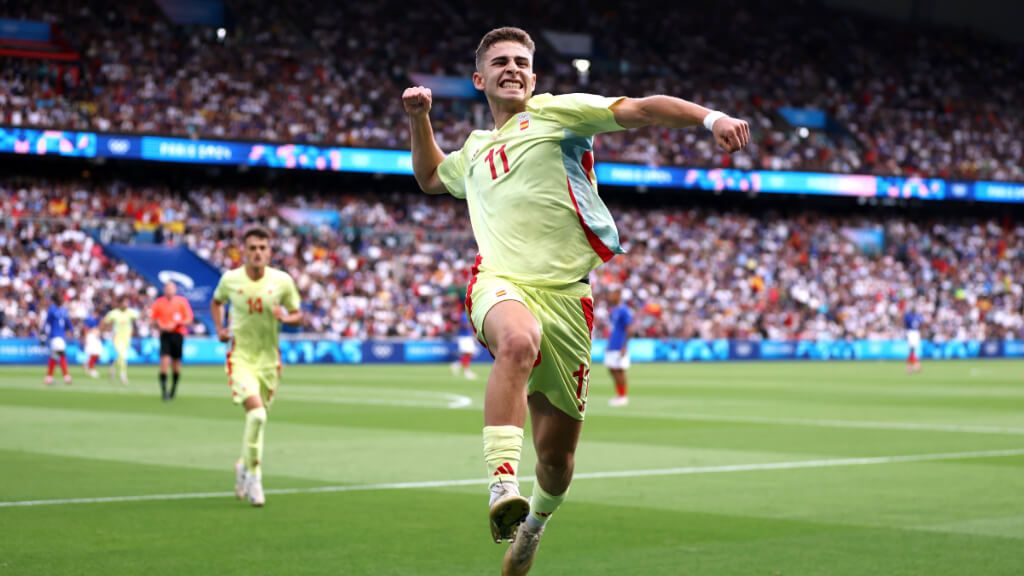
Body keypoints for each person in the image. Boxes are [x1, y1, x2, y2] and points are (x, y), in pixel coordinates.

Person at [403, 26, 749, 575]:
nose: (512, 68)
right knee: (516, 342)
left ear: (534, 77)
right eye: (500, 62)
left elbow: (642, 109)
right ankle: (500, 487)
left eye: (521, 61)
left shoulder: (558, 114)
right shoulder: (472, 150)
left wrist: (711, 118)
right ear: (479, 79)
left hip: (569, 301)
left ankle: (533, 527)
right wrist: (419, 118)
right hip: (501, 282)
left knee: (558, 462)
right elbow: (427, 175)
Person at [211, 226, 302, 508]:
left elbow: (298, 313)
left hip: (269, 362)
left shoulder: (282, 281)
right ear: (244, 251)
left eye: (262, 247)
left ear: (269, 251)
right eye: (252, 248)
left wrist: (285, 318)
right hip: (240, 358)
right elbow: (216, 302)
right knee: (258, 416)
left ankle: (242, 466)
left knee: (257, 421)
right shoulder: (230, 279)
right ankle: (255, 477)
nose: (258, 253)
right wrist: (220, 329)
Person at [150, 281, 194, 400]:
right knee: (164, 362)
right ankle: (164, 392)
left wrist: (176, 324)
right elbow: (152, 320)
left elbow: (189, 319)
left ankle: (173, 389)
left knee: (176, 364)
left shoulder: (181, 302)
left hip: (177, 335)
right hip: (165, 335)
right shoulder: (159, 303)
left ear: (175, 290)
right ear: (164, 290)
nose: (169, 291)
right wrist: (159, 324)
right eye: (167, 288)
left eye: (171, 288)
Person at [605, 289, 633, 407]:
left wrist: (625, 346)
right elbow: (613, 329)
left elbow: (630, 329)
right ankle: (619, 395)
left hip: (620, 345)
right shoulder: (613, 311)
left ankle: (623, 396)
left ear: (618, 296)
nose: (610, 296)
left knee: (620, 371)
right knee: (612, 370)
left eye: (613, 294)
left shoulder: (624, 310)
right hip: (613, 344)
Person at [102, 295, 139, 385]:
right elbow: (105, 322)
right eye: (124, 302)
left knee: (120, 356)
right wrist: (104, 331)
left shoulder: (130, 312)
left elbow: (139, 317)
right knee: (123, 356)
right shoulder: (114, 313)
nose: (126, 304)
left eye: (127, 302)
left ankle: (112, 366)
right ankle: (123, 375)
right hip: (117, 338)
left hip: (127, 339)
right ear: (120, 303)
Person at [41, 294, 73, 385]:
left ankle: (49, 377)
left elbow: (67, 323)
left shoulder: (62, 310)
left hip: (60, 337)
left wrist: (70, 330)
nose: (62, 300)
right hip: (55, 336)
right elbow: (47, 322)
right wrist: (43, 334)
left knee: (54, 356)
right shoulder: (54, 310)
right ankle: (66, 377)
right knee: (61, 355)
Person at [451, 309, 479, 380]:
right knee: (468, 353)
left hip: (467, 337)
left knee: (469, 354)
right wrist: (472, 324)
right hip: (464, 337)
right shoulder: (464, 315)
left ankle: (457, 365)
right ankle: (466, 372)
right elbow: (465, 325)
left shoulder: (467, 314)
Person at [82, 313, 104, 378]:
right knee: (94, 353)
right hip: (91, 337)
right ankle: (91, 369)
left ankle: (87, 364)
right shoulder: (90, 319)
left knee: (98, 353)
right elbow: (86, 328)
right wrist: (86, 338)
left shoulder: (99, 319)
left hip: (96, 337)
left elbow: (99, 328)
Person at [904, 304, 923, 373]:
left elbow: (905, 324)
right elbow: (921, 324)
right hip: (913, 333)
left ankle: (912, 367)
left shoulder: (909, 316)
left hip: (912, 332)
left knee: (912, 351)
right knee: (912, 351)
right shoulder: (917, 316)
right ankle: (914, 366)